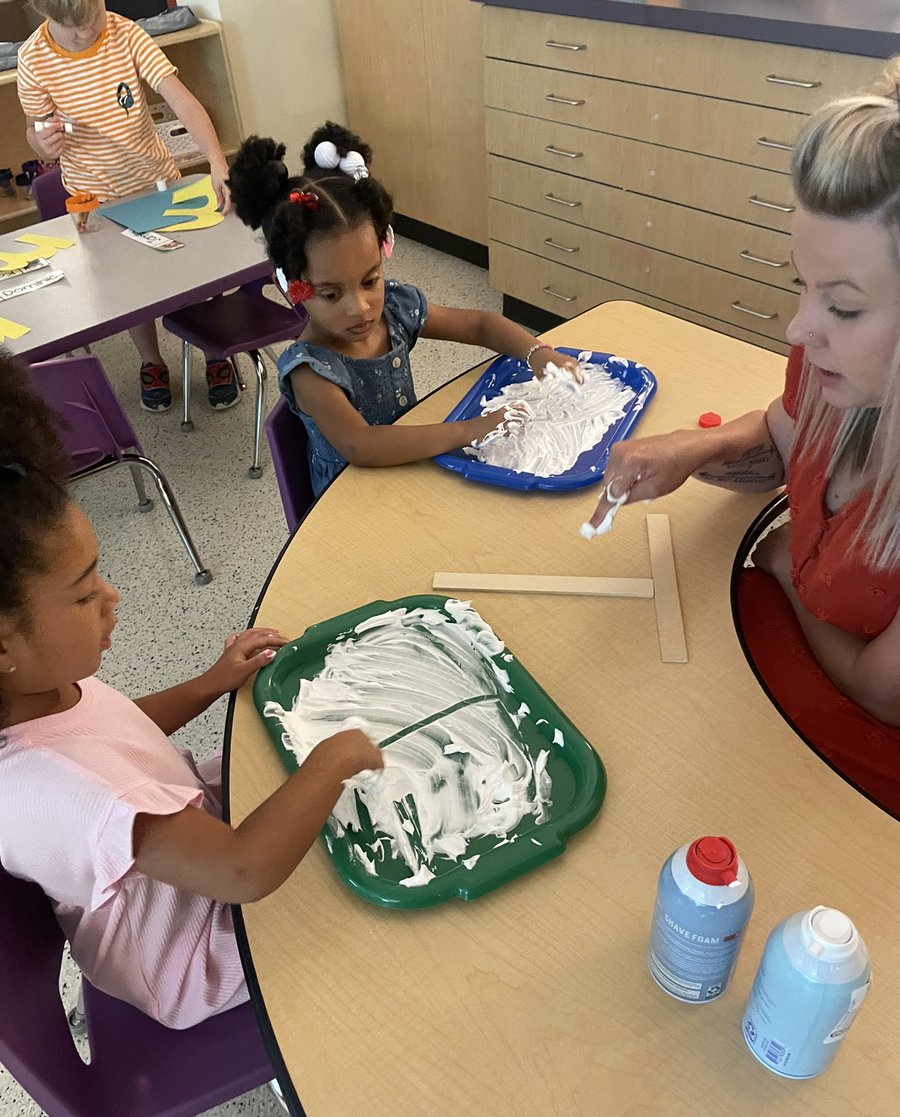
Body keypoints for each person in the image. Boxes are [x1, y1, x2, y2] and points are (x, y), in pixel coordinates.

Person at [0, 353, 382, 1028]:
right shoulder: (55, 789)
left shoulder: (36, 692)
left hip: (191, 847)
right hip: (193, 951)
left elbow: (116, 731)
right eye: (85, 594)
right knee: (382, 902)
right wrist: (335, 759)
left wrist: (211, 683)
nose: (113, 597)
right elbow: (244, 872)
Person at [583, 61, 900, 819]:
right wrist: (694, 449)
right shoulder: (834, 370)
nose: (799, 327)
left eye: (843, 306)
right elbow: (789, 437)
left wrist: (784, 565)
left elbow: (880, 692)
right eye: (801, 283)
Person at [228, 121, 584, 498]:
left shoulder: (395, 309)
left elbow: (478, 325)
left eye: (370, 281)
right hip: (352, 504)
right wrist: (473, 429)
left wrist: (539, 354)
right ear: (290, 285)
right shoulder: (310, 370)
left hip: (411, 471)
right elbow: (362, 446)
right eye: (331, 294)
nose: (360, 308)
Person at [17, 0, 238, 412]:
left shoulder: (126, 33)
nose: (88, 32)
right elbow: (35, 127)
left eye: (94, 17)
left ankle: (215, 353)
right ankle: (151, 362)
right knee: (129, 289)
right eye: (74, 27)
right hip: (94, 200)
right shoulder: (33, 58)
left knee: (194, 273)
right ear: (45, 15)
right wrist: (41, 142)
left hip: (156, 183)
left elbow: (181, 100)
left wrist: (216, 159)